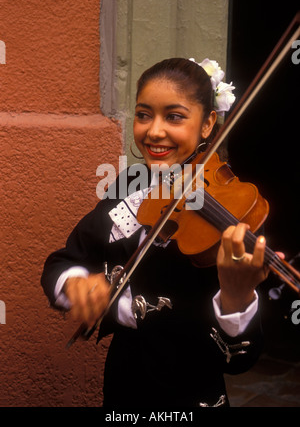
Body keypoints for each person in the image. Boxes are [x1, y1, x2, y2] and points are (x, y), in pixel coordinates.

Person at [41, 57, 270, 408]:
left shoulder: (231, 213)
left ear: (208, 123)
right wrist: (74, 283)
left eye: (174, 116)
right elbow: (64, 260)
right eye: (144, 114)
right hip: (125, 386)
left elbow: (239, 362)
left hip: (193, 397)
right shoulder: (130, 187)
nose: (154, 131)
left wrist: (236, 298)